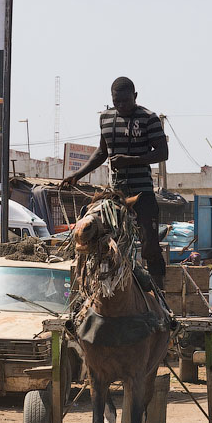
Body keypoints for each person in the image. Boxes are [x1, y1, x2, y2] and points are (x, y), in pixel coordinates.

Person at [61, 77, 169, 289]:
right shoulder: (105, 118)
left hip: (142, 192)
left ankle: (159, 291)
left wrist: (131, 160)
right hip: (115, 195)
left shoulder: (149, 118)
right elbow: (102, 152)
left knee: (150, 247)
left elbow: (163, 152)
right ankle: (97, 288)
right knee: (100, 237)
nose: (121, 106)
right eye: (117, 101)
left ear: (135, 97)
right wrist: (77, 175)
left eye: (126, 101)